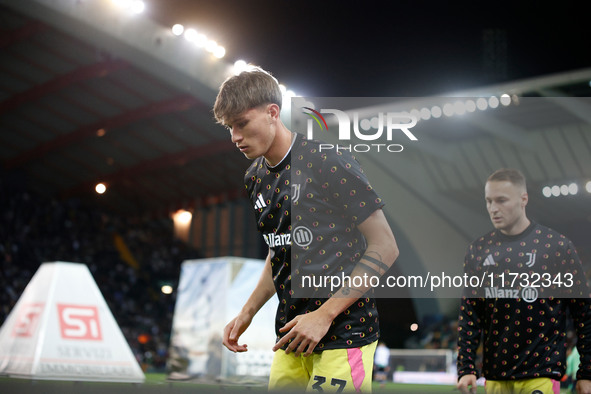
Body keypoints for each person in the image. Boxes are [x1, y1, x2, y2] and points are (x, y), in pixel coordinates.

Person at [214, 66, 399, 392]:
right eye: (229, 127)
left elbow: (385, 246)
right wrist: (247, 313)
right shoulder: (254, 178)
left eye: (241, 124)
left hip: (345, 332)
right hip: (291, 336)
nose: (234, 137)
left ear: (273, 112)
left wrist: (324, 315)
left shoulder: (327, 161)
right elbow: (279, 252)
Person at [456, 168, 591, 394]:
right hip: (495, 377)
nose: (493, 208)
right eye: (488, 201)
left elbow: (585, 314)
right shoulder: (478, 250)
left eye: (501, 200)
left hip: (541, 375)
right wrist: (466, 367)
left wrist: (587, 372)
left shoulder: (556, 247)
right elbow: (470, 314)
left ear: (523, 199)